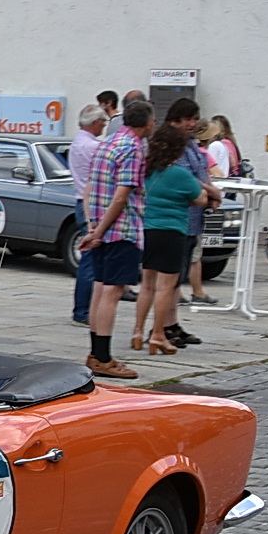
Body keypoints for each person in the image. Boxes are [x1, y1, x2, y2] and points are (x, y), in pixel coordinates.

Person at [79, 99, 154, 380]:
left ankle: (96, 351)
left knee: (100, 289)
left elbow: (89, 187)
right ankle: (103, 357)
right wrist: (100, 231)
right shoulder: (132, 148)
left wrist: (92, 226)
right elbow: (122, 195)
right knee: (112, 291)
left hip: (100, 225)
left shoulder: (106, 144)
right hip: (121, 229)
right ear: (147, 122)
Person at [134, 125, 209, 356]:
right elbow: (201, 198)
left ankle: (137, 332)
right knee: (166, 288)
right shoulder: (179, 174)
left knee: (147, 285)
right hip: (173, 230)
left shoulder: (147, 172)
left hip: (149, 229)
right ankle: (158, 333)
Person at [164, 98, 220, 326]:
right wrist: (212, 192)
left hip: (194, 220)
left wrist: (210, 194)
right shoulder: (171, 144)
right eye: (188, 119)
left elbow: (202, 171)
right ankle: (163, 327)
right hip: (177, 219)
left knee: (179, 275)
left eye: (195, 119)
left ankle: (172, 324)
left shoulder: (193, 144)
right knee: (170, 279)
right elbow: (185, 178)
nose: (192, 123)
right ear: (175, 120)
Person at [69, 104, 108, 324]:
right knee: (91, 259)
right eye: (102, 123)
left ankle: (85, 307)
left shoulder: (77, 142)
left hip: (80, 199)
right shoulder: (94, 146)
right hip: (92, 204)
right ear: (95, 123)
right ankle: (83, 309)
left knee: (90, 258)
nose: (103, 127)